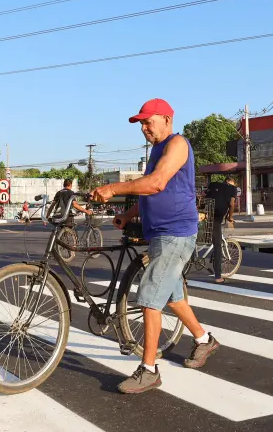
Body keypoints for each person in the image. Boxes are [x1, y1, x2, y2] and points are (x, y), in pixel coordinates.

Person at [91, 98, 219, 394]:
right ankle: (203, 340)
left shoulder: (177, 144)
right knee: (172, 295)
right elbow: (149, 191)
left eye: (148, 122)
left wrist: (113, 188)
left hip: (176, 233)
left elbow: (156, 183)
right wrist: (128, 214)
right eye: (141, 124)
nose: (144, 128)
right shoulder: (158, 150)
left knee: (149, 296)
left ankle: (149, 370)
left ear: (166, 119)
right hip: (161, 233)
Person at [204, 176, 237, 284]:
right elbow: (232, 204)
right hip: (216, 218)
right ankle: (218, 276)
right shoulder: (232, 189)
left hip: (204, 214)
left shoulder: (213, 185)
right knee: (217, 245)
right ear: (229, 182)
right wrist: (230, 217)